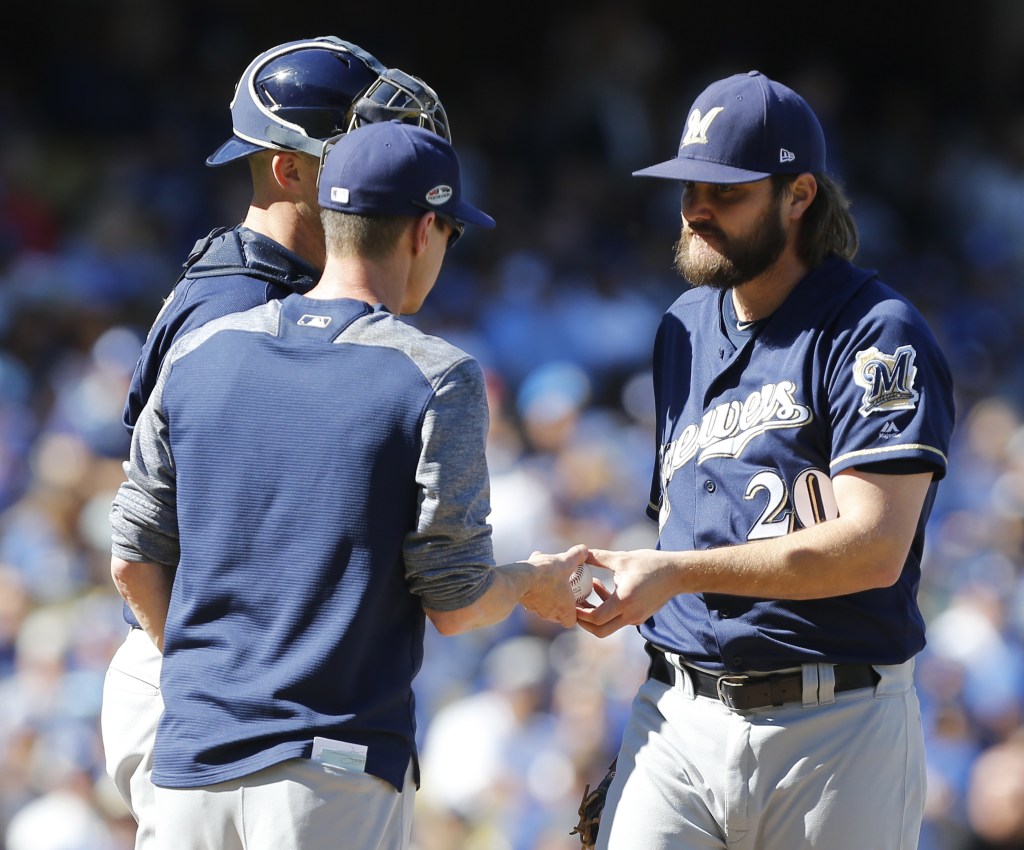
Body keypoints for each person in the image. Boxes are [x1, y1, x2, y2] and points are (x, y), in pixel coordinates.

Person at [107, 118, 588, 850]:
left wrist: (213, 693)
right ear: (424, 230)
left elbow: (131, 560)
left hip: (188, 772)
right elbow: (456, 604)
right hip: (329, 770)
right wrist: (529, 581)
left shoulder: (202, 351)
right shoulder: (436, 374)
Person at [575, 70, 956, 850]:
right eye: (688, 188)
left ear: (798, 195)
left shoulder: (875, 331)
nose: (696, 210)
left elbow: (874, 550)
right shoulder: (681, 326)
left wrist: (676, 573)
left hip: (836, 725)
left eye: (726, 192)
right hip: (678, 714)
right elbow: (686, 526)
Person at [99, 35, 449, 849]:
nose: (383, 167)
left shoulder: (272, 290)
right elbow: (160, 548)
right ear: (290, 171)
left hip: (240, 682)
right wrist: (213, 678)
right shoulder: (237, 309)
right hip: (220, 686)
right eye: (355, 148)